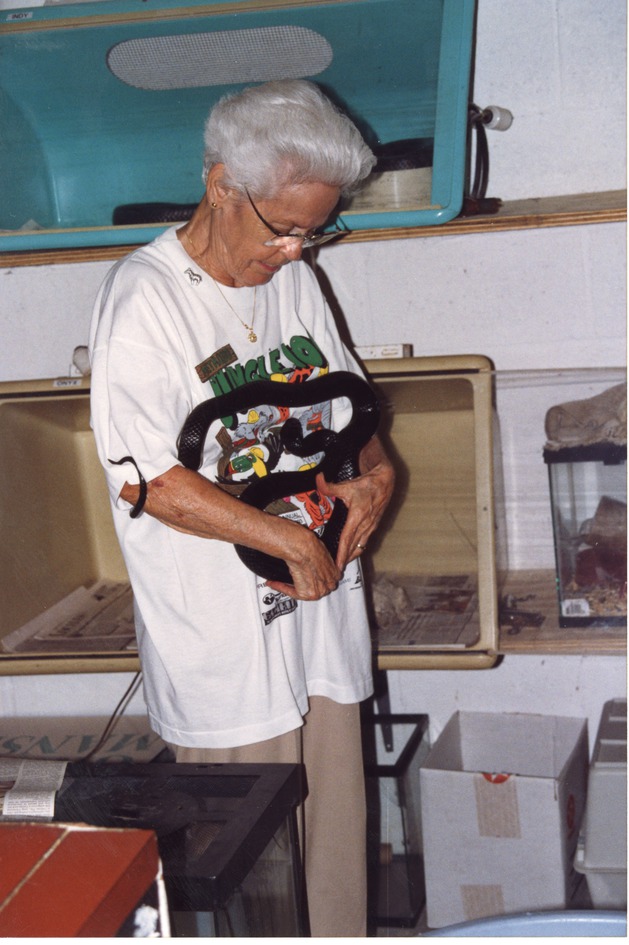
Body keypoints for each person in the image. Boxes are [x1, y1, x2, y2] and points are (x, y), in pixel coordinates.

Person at [89, 79, 395, 937]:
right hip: (228, 645)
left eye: (317, 228)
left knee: (334, 874)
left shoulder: (294, 280)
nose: (300, 250)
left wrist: (378, 479)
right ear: (222, 185)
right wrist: (284, 540)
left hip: (323, 630)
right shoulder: (145, 298)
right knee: (254, 892)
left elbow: (356, 411)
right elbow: (147, 479)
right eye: (285, 227)